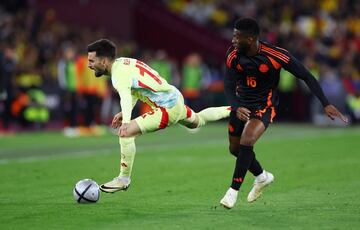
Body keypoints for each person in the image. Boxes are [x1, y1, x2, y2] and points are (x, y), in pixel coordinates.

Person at [220, 18, 348, 209]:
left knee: (247, 141)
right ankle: (262, 177)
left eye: (237, 37)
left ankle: (232, 192)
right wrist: (236, 106)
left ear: (251, 39)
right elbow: (229, 85)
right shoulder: (233, 54)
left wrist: (325, 103)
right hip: (242, 106)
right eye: (234, 35)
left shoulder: (276, 55)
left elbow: (305, 75)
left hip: (264, 106)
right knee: (235, 149)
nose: (233, 40)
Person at [87, 39, 230, 193]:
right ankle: (234, 109)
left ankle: (123, 179)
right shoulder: (124, 62)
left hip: (166, 108)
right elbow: (135, 89)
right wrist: (123, 114)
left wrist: (126, 122)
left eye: (91, 61)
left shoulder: (117, 74)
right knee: (198, 120)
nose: (89, 64)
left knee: (125, 133)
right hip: (175, 97)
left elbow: (126, 97)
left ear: (103, 61)